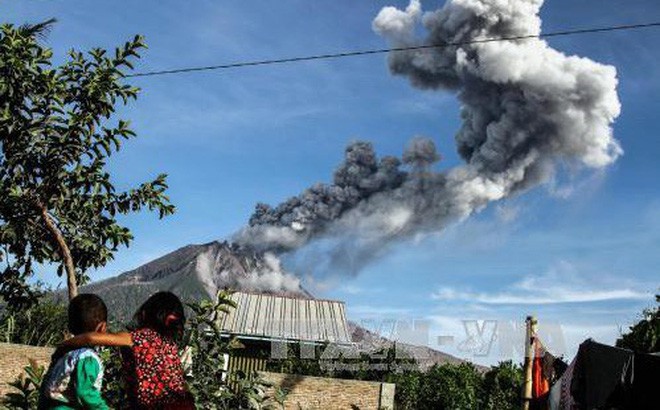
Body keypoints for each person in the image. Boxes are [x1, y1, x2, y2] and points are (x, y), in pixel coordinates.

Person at [61, 291, 194, 410]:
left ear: (145, 314)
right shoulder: (170, 346)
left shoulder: (139, 338)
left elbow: (91, 338)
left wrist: (64, 345)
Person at [39, 294, 110, 410]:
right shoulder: (88, 358)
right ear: (102, 328)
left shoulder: (64, 353)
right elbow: (84, 393)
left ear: (70, 326)